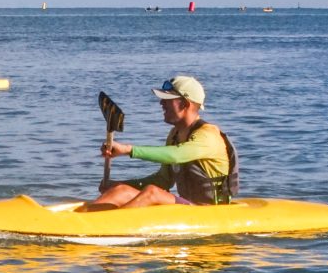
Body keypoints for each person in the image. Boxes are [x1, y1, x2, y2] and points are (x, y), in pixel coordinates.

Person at [89, 75, 238, 209]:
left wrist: (128, 150)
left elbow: (177, 155)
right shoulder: (174, 135)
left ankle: (111, 224)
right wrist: (119, 184)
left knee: (152, 193)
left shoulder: (208, 135)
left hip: (209, 211)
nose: (161, 103)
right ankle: (85, 217)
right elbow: (163, 180)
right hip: (186, 207)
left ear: (185, 104)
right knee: (121, 191)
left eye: (168, 99)